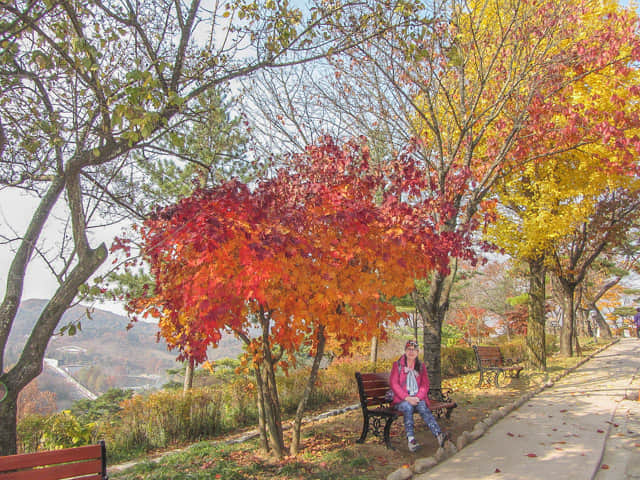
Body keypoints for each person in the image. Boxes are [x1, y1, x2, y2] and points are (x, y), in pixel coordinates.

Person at [389, 340, 448, 452]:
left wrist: (418, 397)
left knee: (422, 406)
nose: (411, 352)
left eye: (414, 350)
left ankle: (439, 435)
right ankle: (411, 440)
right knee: (408, 407)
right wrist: (407, 397)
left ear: (417, 352)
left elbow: (425, 385)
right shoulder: (397, 366)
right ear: (405, 351)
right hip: (401, 400)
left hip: (416, 398)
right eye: (409, 349)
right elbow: (394, 384)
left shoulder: (421, 367)